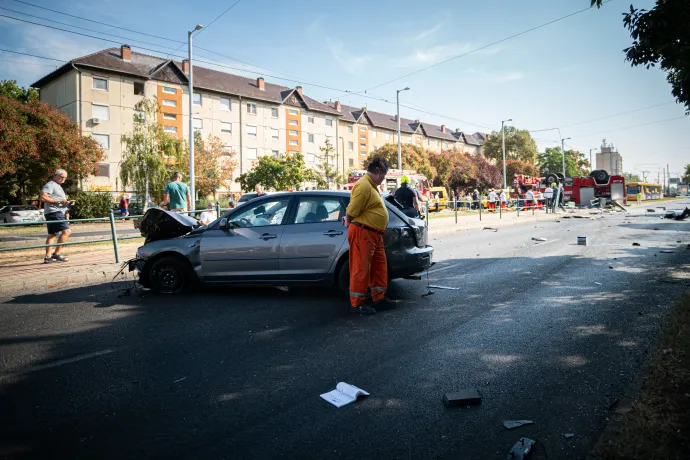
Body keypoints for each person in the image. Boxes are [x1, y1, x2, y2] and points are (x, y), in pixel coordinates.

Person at [342, 156, 397, 315]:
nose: (383, 179)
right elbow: (352, 210)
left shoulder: (371, 185)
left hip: (373, 234)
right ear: (378, 171)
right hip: (363, 232)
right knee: (360, 268)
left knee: (379, 267)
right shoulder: (364, 186)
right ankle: (357, 303)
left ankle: (379, 298)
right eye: (383, 175)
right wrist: (348, 220)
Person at [40, 169, 74, 263]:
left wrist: (67, 203)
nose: (63, 179)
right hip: (54, 212)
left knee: (52, 234)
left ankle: (48, 257)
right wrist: (59, 201)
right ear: (55, 176)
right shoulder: (50, 184)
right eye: (61, 177)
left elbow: (58, 200)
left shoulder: (57, 186)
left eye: (65, 178)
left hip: (55, 212)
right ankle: (57, 254)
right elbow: (43, 197)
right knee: (67, 231)